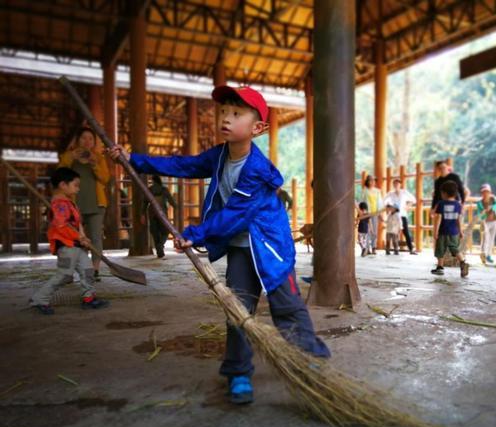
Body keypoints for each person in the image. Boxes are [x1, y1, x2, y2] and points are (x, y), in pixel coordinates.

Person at [107, 85, 330, 405]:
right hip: (240, 248)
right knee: (236, 307)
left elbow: (234, 215)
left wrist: (195, 234)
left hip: (270, 247)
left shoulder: (256, 170)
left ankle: (308, 357)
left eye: (236, 113)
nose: (226, 117)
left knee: (288, 306)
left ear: (257, 128)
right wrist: (133, 160)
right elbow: (183, 166)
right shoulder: (220, 155)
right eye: (224, 111)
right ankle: (239, 372)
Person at [29, 168, 109, 315]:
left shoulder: (69, 202)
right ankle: (39, 299)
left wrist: (83, 236)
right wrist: (80, 237)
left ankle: (88, 298)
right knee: (64, 275)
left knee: (87, 270)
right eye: (76, 185)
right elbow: (61, 226)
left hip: (77, 245)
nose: (78, 189)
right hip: (66, 246)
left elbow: (77, 223)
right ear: (63, 185)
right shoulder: (59, 204)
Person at [59, 127, 111, 281]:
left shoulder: (99, 158)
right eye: (84, 138)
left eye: (90, 139)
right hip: (74, 205)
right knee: (73, 239)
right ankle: (69, 272)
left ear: (94, 142)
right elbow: (60, 175)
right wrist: (70, 158)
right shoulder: (68, 156)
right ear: (77, 140)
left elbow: (105, 179)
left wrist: (94, 164)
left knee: (95, 238)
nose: (87, 141)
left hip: (96, 204)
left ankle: (94, 270)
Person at [431, 180, 469, 277]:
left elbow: (438, 218)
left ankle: (440, 267)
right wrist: (460, 231)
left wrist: (435, 231)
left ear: (444, 193)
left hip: (443, 231)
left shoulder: (441, 204)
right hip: (454, 232)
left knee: (440, 249)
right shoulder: (458, 205)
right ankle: (463, 262)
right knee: (455, 248)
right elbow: (458, 219)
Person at [142, 175, 177, 259]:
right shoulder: (164, 189)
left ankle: (159, 250)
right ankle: (160, 246)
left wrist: (142, 214)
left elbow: (144, 203)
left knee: (155, 233)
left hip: (152, 213)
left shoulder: (149, 190)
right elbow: (171, 200)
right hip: (162, 213)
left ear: (153, 181)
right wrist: (176, 207)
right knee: (165, 231)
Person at [384, 179, 418, 254]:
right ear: (393, 185)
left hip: (403, 214)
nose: (396, 185)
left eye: (397, 184)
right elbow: (384, 201)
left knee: (406, 232)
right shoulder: (390, 193)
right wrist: (389, 207)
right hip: (393, 216)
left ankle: (411, 249)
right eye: (394, 184)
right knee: (393, 232)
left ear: (400, 185)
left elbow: (414, 200)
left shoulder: (404, 192)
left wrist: (407, 206)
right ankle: (393, 249)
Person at [476, 184, 496, 264]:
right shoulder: (480, 203)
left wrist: (492, 208)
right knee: (485, 238)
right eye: (484, 192)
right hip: (485, 222)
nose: (485, 193)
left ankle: (489, 255)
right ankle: (483, 253)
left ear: (490, 192)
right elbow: (480, 214)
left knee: (491, 239)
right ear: (482, 193)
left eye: (487, 192)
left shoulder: (493, 199)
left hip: (493, 221)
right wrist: (483, 213)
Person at [359, 175, 383, 254]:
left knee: (374, 230)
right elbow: (361, 202)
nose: (372, 182)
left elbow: (380, 203)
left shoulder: (377, 191)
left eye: (374, 180)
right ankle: (366, 248)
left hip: (375, 213)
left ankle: (373, 247)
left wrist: (380, 213)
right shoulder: (364, 191)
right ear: (367, 182)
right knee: (367, 231)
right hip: (367, 213)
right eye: (370, 180)